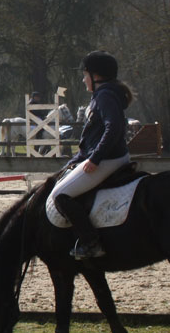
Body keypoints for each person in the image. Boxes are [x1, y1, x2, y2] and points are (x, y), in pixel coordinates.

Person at [48, 51, 133, 260]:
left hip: (106, 159)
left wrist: (95, 159)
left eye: (85, 74)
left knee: (61, 196)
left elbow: (113, 128)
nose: (83, 79)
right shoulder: (106, 93)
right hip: (111, 157)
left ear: (96, 76)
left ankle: (91, 242)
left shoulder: (104, 95)